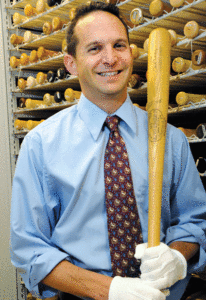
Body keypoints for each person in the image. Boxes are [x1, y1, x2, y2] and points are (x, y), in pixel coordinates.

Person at [10, 2, 206, 300]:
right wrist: (110, 290)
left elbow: (196, 220)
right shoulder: (40, 145)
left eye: (119, 45)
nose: (110, 58)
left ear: (131, 52)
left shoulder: (170, 138)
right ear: (71, 63)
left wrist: (177, 258)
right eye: (94, 49)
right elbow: (29, 250)